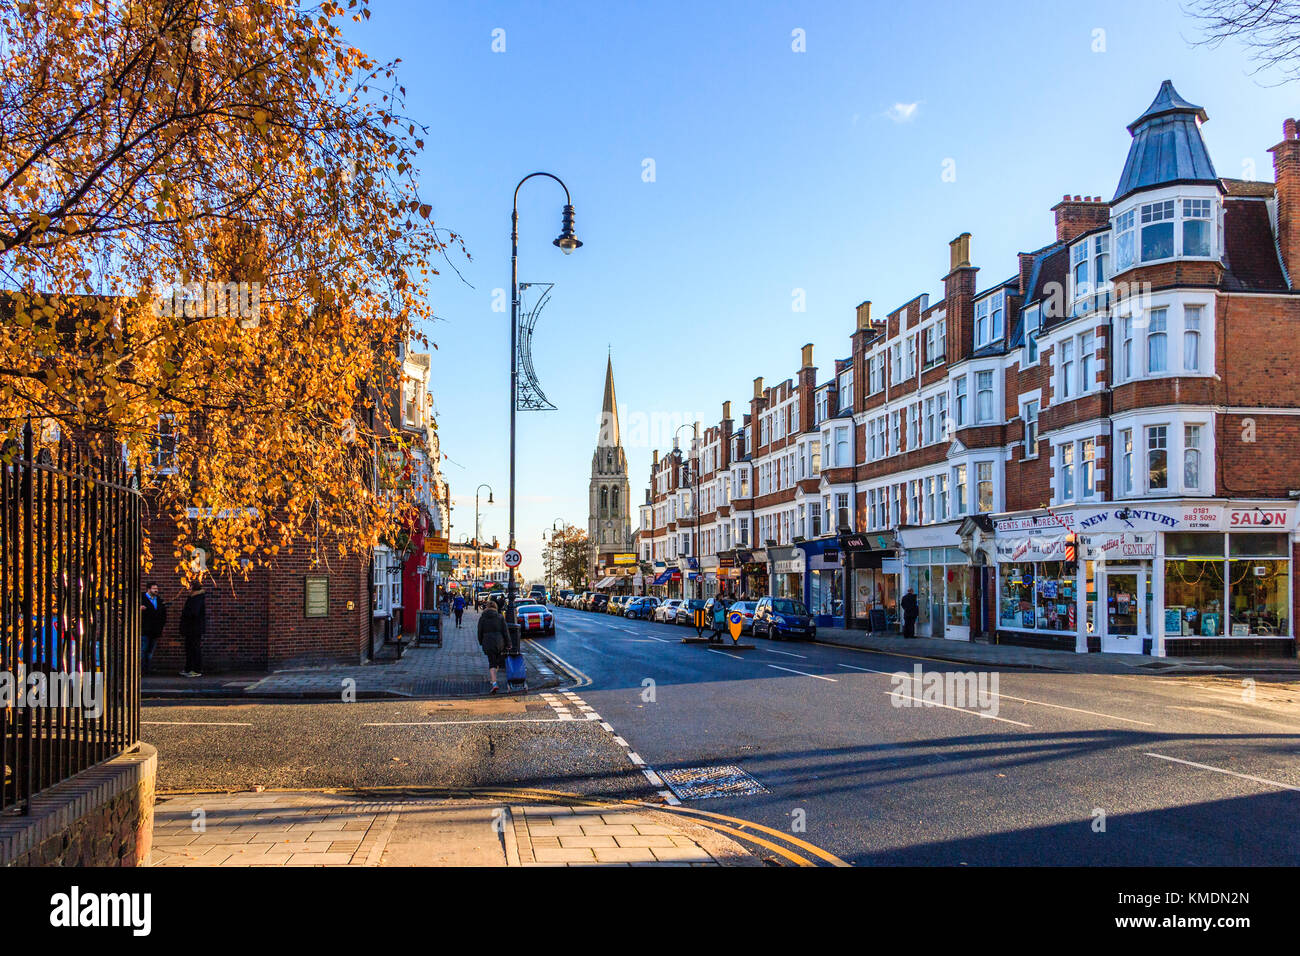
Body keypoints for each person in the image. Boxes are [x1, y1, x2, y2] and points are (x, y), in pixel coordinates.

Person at [477, 599, 509, 693]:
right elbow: (505, 631)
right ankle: (494, 678)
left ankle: (494, 683)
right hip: (499, 643)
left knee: (492, 662)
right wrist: (509, 643)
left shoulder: (483, 618)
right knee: (497, 663)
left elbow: (479, 631)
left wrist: (480, 641)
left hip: (487, 642)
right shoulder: (500, 617)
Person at [178, 581, 207, 677]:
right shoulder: (194, 597)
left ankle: (196, 669)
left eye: (189, 586)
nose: (188, 588)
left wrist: (186, 615)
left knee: (194, 648)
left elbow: (194, 612)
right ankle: (189, 668)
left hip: (194, 628)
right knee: (190, 648)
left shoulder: (196, 598)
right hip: (192, 628)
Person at [139, 582, 167, 675]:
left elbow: (163, 615)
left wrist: (161, 626)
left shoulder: (159, 600)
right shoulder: (141, 599)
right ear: (148, 589)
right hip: (144, 630)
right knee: (143, 650)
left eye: (157, 588)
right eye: (154, 588)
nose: (156, 590)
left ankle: (147, 669)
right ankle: (141, 670)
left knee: (150, 652)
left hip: (155, 631)